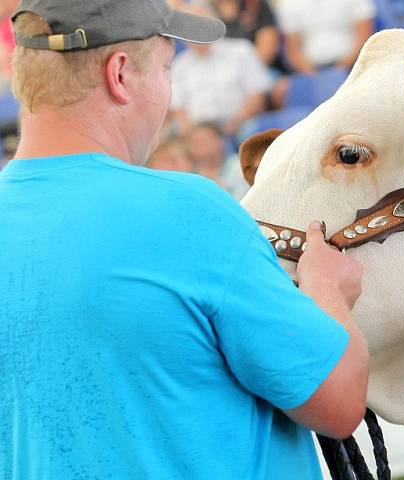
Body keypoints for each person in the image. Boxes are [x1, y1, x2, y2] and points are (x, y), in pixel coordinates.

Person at [0, 1, 369, 479]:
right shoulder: (188, 211)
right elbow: (338, 401)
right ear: (120, 75)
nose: (170, 93)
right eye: (167, 67)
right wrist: (328, 290)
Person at [170, 6, 273, 136]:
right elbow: (178, 109)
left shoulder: (241, 50)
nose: (196, 31)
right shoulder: (178, 66)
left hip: (239, 126)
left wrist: (236, 123)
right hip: (199, 132)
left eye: (202, 25)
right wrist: (192, 134)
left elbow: (257, 95)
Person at [276, 0, 376, 73]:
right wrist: (315, 74)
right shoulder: (289, 3)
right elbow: (293, 50)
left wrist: (341, 68)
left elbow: (364, 38)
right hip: (309, 72)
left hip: (354, 66)